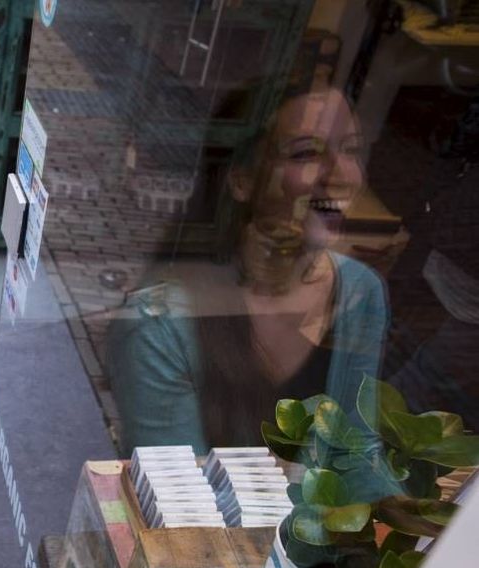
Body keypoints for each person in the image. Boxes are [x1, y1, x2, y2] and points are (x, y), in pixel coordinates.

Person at [107, 86, 389, 455]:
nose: (342, 175)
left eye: (351, 149)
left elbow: (358, 454)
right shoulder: (159, 325)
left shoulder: (359, 290)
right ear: (241, 180)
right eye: (306, 153)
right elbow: (175, 498)